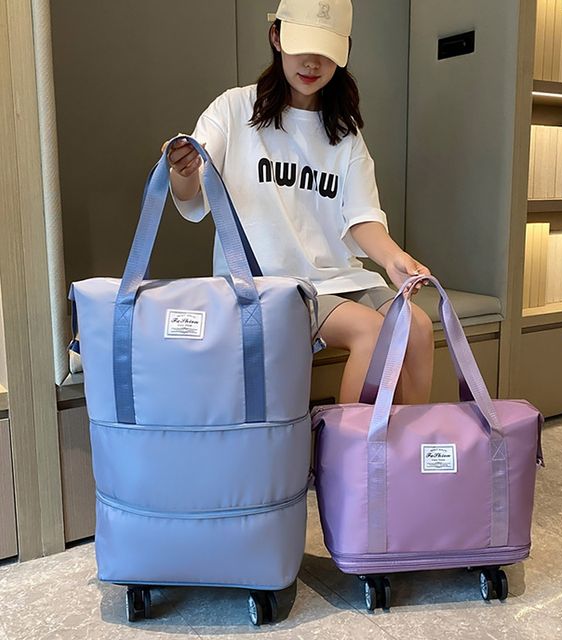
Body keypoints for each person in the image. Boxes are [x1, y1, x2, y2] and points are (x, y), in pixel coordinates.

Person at [167, 0, 434, 404]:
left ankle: (405, 442)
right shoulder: (235, 109)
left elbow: (361, 218)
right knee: (372, 331)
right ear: (276, 38)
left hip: (339, 279)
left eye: (326, 51)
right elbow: (192, 193)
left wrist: (395, 258)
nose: (312, 62)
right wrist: (181, 169)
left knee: (418, 328)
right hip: (271, 286)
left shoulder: (344, 132)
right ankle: (350, 445)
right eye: (302, 46)